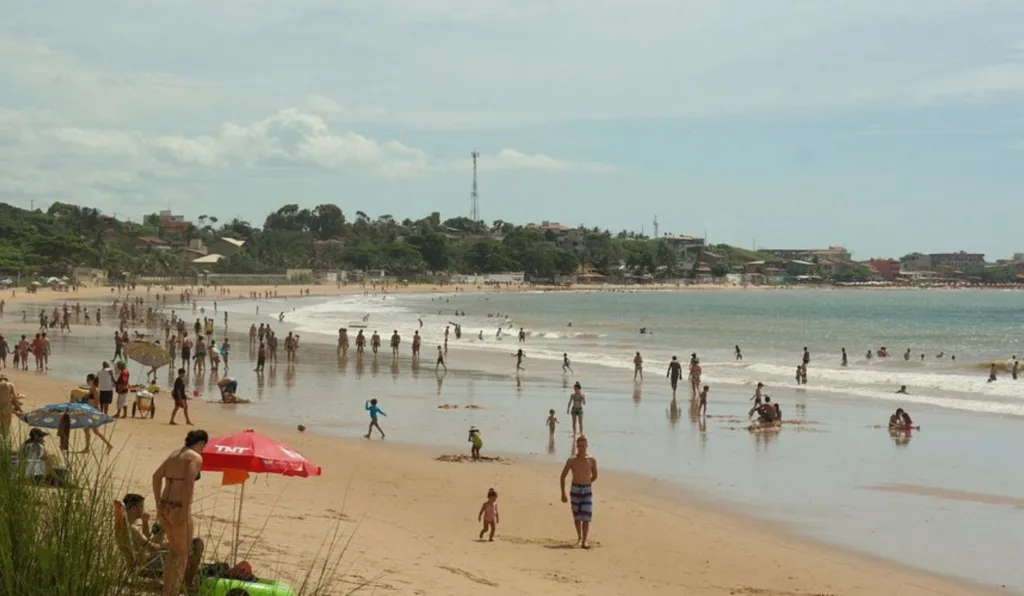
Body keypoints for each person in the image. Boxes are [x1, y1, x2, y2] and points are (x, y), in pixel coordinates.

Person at [152, 429, 208, 596]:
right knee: (183, 555)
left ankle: (166, 591)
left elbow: (156, 476)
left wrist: (157, 503)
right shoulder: (195, 457)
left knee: (173, 552)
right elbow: (188, 484)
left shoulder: (174, 454)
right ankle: (173, 592)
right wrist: (185, 509)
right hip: (178, 507)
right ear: (201, 443)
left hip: (165, 505)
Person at [117, 493, 205, 584]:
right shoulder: (133, 530)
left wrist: (145, 522)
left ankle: (162, 529)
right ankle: (187, 582)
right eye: (141, 507)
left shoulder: (123, 526)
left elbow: (145, 542)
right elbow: (153, 548)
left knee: (162, 530)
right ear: (134, 508)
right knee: (198, 544)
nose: (143, 510)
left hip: (146, 560)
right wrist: (171, 545)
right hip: (149, 565)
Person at [559, 435, 598, 549]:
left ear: (587, 446)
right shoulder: (572, 460)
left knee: (586, 516)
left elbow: (595, 475)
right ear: (577, 446)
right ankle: (579, 538)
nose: (581, 448)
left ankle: (585, 541)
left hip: (586, 489)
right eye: (579, 446)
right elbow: (562, 476)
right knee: (577, 517)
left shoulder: (591, 460)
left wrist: (588, 482)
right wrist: (563, 493)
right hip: (575, 489)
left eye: (583, 446)